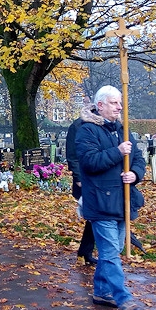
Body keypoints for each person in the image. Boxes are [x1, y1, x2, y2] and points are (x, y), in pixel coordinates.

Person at [75, 85, 145, 310]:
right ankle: (123, 298)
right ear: (101, 105)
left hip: (123, 201)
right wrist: (118, 152)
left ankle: (101, 292)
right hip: (100, 202)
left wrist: (134, 174)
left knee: (113, 250)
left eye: (120, 103)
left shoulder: (123, 130)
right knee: (110, 253)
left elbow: (139, 159)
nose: (120, 107)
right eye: (115, 103)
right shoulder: (86, 131)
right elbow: (89, 162)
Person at [66, 108, 97, 266]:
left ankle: (86, 251)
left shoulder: (107, 125)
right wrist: (78, 178)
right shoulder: (77, 126)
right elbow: (72, 154)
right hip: (85, 178)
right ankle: (86, 251)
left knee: (93, 217)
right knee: (93, 216)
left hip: (100, 178)